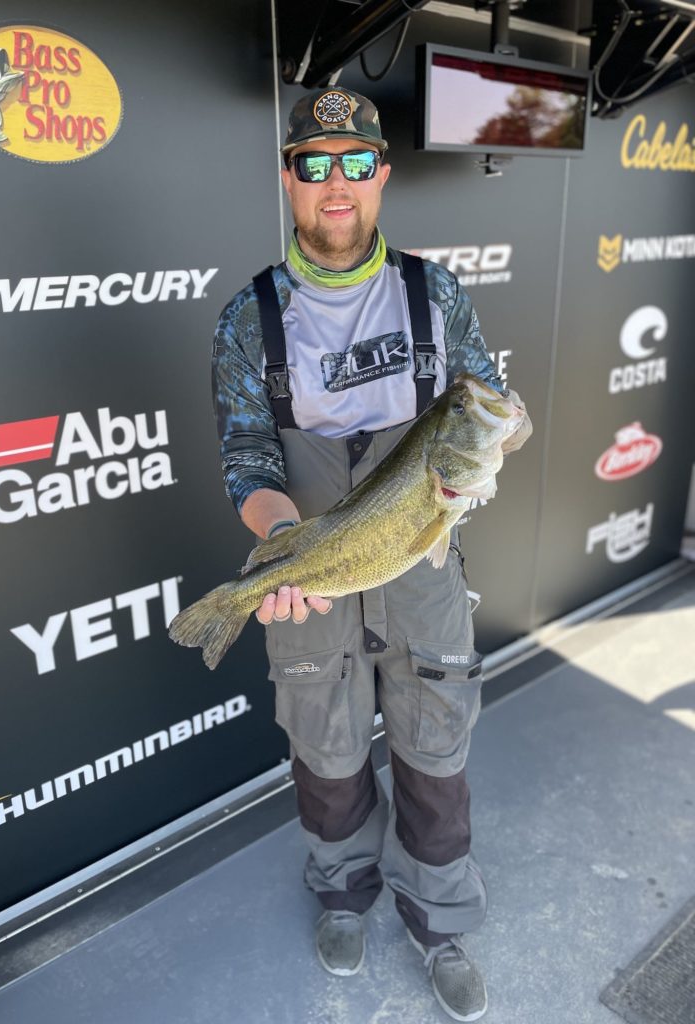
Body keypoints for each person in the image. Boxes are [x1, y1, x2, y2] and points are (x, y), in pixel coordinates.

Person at [211, 86, 531, 1022]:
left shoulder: (436, 292)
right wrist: (281, 544)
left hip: (421, 560)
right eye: (316, 165)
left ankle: (438, 917)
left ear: (382, 175)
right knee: (326, 739)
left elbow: (498, 408)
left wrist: (497, 444)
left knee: (435, 739)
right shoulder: (247, 317)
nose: (337, 184)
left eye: (357, 163)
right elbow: (247, 459)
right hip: (316, 563)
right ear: (290, 180)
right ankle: (344, 890)